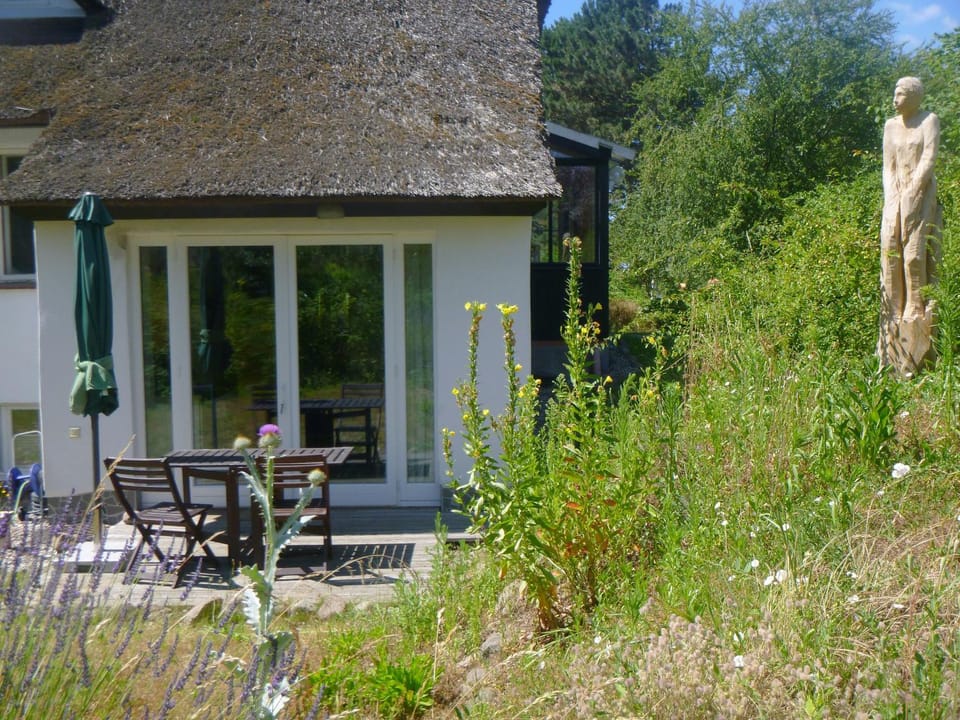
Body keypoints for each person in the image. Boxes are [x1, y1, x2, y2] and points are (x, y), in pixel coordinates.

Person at [878, 76, 942, 375]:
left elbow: (928, 158)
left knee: (915, 253)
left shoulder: (929, 120)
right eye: (895, 94)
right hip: (896, 194)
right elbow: (887, 167)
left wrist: (914, 191)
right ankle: (891, 312)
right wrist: (893, 199)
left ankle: (915, 309)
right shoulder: (890, 126)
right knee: (890, 249)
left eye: (901, 94)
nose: (895, 99)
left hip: (921, 192)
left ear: (914, 96)